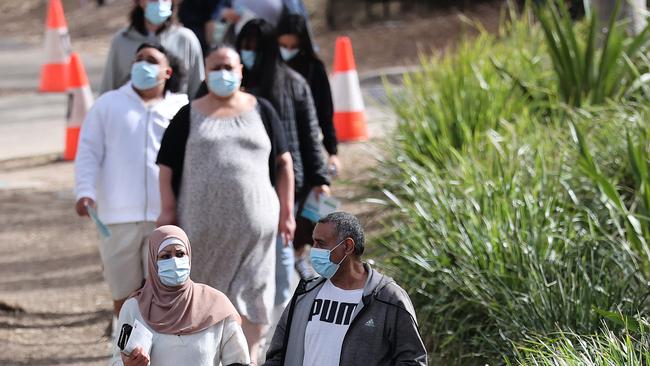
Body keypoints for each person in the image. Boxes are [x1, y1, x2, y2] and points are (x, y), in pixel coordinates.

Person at [156, 46, 295, 363]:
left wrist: (288, 212)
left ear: (241, 71)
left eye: (229, 67)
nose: (223, 73)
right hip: (203, 236)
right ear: (205, 72)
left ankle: (250, 358)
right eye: (216, 67)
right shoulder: (187, 115)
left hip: (256, 236)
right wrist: (167, 212)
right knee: (207, 310)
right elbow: (166, 168)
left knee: (255, 304)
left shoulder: (263, 111)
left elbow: (285, 164)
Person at [74, 43, 188, 332]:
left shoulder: (182, 107)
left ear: (167, 71)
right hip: (117, 218)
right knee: (123, 296)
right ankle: (120, 352)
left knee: (165, 293)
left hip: (165, 218)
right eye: (138, 59)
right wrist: (84, 190)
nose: (143, 65)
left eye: (151, 60)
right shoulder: (108, 104)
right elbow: (89, 151)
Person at [234, 18, 330, 315]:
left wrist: (320, 177)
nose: (249, 54)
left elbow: (310, 134)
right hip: (241, 185)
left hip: (286, 183)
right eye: (244, 48)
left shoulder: (292, 83)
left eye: (255, 48)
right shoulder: (232, 87)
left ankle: (281, 317)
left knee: (282, 250)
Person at [264, 212, 428, 366]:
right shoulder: (305, 295)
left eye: (321, 243)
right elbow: (277, 357)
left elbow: (413, 360)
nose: (313, 250)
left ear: (348, 246)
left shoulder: (388, 299)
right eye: (313, 242)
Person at [109, 225, 251, 366]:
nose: (175, 261)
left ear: (189, 256)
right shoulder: (135, 308)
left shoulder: (217, 306)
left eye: (180, 254)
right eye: (165, 256)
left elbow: (238, 361)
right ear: (153, 261)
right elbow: (117, 360)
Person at [276, 13, 340, 277]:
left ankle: (301, 255)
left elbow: (325, 113)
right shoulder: (271, 69)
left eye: (293, 46)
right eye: (283, 45)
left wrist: (333, 152)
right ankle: (284, 255)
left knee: (312, 209)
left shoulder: (313, 69)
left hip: (307, 147)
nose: (288, 52)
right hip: (280, 147)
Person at [100, 0, 205, 98]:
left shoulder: (186, 40)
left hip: (173, 115)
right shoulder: (122, 40)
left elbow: (197, 88)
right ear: (141, 2)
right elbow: (109, 85)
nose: (159, 2)